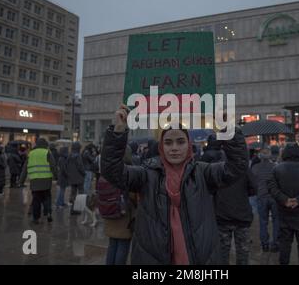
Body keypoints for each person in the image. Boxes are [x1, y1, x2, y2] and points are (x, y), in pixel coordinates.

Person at [101, 104, 248, 264]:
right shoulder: (147, 174)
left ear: (189, 145)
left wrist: (229, 130)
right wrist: (118, 131)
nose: (174, 148)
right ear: (161, 147)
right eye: (168, 143)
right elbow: (112, 171)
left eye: (180, 142)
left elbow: (236, 167)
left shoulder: (202, 173)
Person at [201, 134, 253, 265]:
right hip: (242, 214)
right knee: (243, 253)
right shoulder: (242, 167)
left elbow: (209, 190)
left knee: (223, 254)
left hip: (222, 214)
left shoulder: (214, 168)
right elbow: (254, 188)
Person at [104, 146, 138, 265]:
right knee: (123, 246)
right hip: (124, 216)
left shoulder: (107, 169)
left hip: (109, 212)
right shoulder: (129, 171)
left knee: (112, 244)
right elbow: (134, 196)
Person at [20, 138, 57, 224]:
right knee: (47, 198)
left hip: (34, 180)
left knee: (36, 199)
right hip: (46, 180)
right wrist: (56, 176)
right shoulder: (47, 152)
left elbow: (25, 168)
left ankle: (36, 218)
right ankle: (48, 213)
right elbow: (53, 166)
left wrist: (21, 181)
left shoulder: (31, 154)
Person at [251, 148, 279, 252]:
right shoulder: (275, 167)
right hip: (274, 197)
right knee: (276, 221)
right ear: (270, 156)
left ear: (260, 156)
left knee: (263, 222)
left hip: (261, 196)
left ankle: (265, 244)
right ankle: (275, 243)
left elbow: (252, 182)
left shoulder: (255, 168)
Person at [67, 141, 85, 215]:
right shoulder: (78, 156)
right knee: (80, 193)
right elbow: (80, 166)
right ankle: (78, 208)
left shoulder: (69, 156)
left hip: (72, 178)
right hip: (79, 177)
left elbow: (66, 166)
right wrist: (84, 173)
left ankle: (72, 209)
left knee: (73, 193)